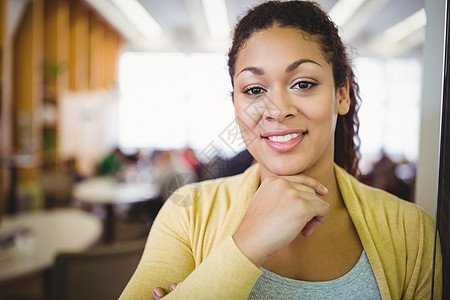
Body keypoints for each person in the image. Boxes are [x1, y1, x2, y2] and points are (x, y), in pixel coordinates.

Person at [119, 1, 442, 299]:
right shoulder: (188, 213)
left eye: (302, 84)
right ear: (235, 102)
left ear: (341, 94)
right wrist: (246, 245)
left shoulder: (411, 230)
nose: (276, 110)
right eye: (255, 89)